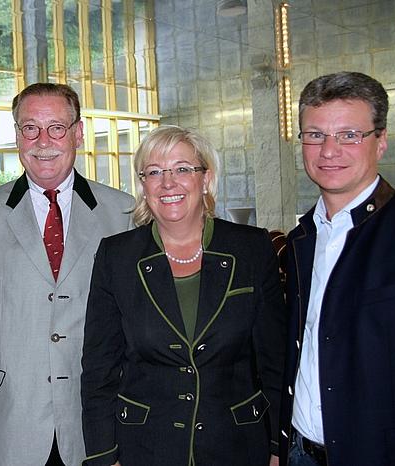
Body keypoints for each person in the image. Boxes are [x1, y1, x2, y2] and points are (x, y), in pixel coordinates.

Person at [0, 82, 135, 466]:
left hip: (96, 420)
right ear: (17, 135)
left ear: (78, 133)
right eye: (30, 128)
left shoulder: (123, 213)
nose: (43, 140)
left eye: (56, 128)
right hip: (9, 418)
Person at [81, 125, 285, 466]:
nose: (168, 182)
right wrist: (104, 457)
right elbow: (99, 371)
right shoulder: (116, 257)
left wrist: (278, 448)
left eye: (182, 169)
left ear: (205, 179)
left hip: (238, 446)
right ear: (143, 186)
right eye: (155, 172)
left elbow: (275, 362)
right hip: (145, 449)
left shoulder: (251, 249)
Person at [278, 71, 395, 466]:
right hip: (300, 453)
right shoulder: (300, 239)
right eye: (315, 135)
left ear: (382, 141)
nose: (329, 151)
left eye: (349, 135)